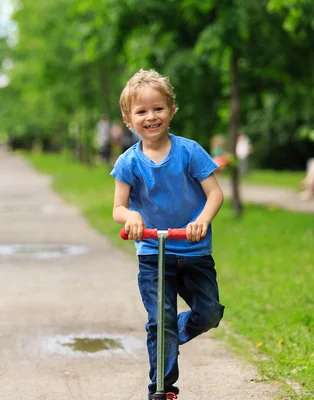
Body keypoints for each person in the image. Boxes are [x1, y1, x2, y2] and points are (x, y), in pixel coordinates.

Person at [110, 69, 225, 400]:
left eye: (158, 108)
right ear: (129, 119)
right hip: (152, 252)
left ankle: (173, 333)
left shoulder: (189, 152)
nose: (151, 117)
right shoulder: (128, 162)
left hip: (194, 250)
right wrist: (131, 215)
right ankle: (162, 389)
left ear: (172, 110)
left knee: (210, 313)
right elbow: (118, 207)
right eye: (142, 111)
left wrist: (202, 220)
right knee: (160, 320)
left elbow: (215, 193)